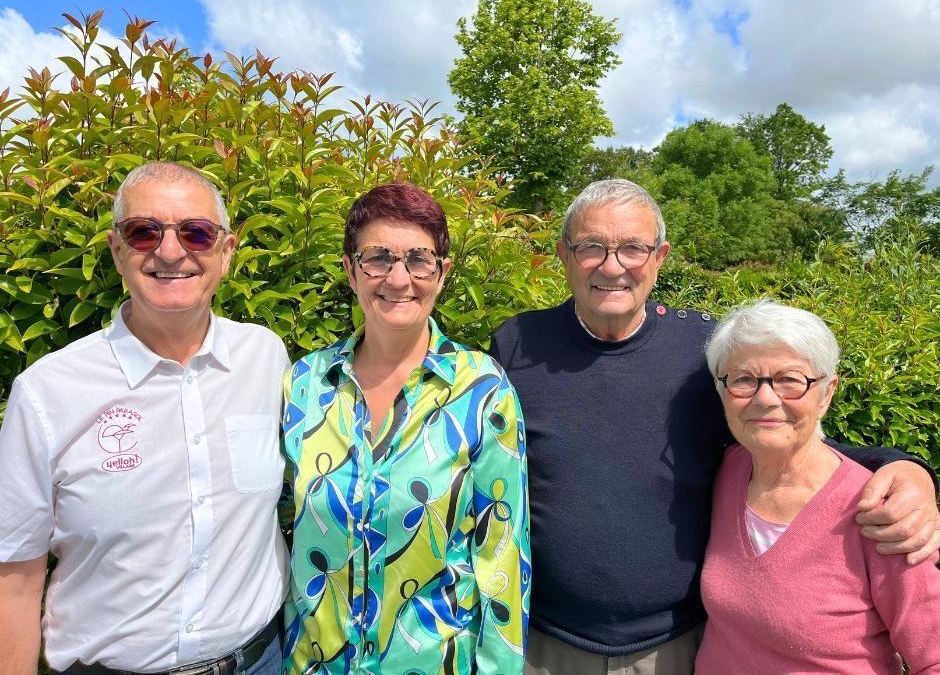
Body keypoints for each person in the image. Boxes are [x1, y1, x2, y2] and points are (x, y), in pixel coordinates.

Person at [488, 179, 940, 674]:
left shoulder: (700, 348)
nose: (612, 266)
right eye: (591, 247)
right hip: (545, 640)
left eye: (633, 248)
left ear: (659, 256)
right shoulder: (516, 344)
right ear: (564, 255)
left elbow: (778, 425)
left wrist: (904, 466)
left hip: (675, 645)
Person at [0, 162, 289, 674]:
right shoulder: (47, 392)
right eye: (144, 232)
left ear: (226, 252)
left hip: (261, 659)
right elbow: (15, 576)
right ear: (116, 250)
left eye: (197, 233)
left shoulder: (265, 358)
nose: (171, 251)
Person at [281, 183, 529, 675]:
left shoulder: (480, 389)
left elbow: (502, 553)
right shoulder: (305, 384)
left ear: (442, 271)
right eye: (377, 258)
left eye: (419, 259)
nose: (399, 278)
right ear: (351, 270)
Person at [696, 300, 940, 672]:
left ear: (826, 393)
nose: (765, 398)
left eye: (790, 380)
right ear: (722, 390)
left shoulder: (882, 512)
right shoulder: (726, 472)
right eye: (743, 379)